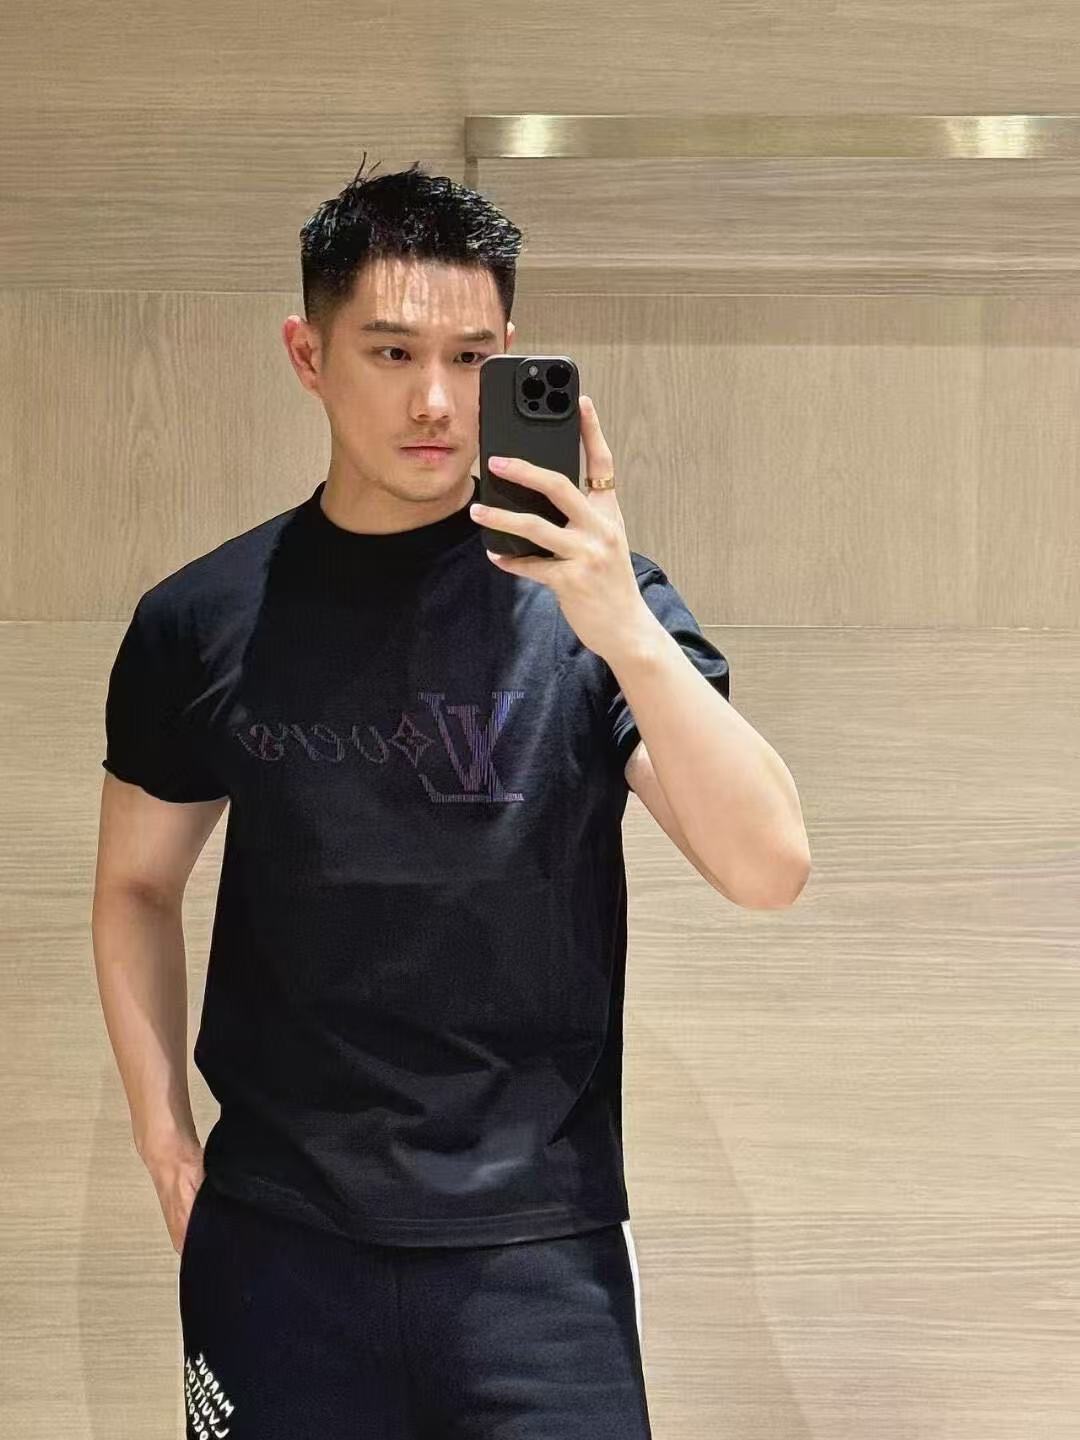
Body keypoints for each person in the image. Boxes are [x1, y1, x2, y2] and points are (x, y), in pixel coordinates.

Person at [92, 156, 736, 1440]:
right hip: (277, 1251)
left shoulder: (592, 609)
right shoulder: (200, 620)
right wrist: (166, 1143)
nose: (435, 400)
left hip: (538, 1258)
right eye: (390, 352)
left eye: (471, 357)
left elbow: (768, 865)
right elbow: (136, 886)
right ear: (307, 353)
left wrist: (622, 623)